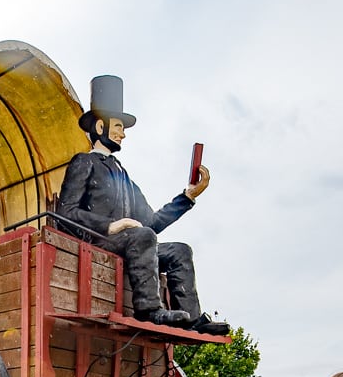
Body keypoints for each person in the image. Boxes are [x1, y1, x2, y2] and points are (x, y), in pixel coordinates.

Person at [56, 75, 230, 336]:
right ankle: (149, 310)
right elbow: (65, 213)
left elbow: (151, 223)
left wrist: (188, 196)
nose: (123, 134)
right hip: (96, 242)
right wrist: (111, 226)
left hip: (133, 245)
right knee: (142, 236)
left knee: (180, 251)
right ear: (100, 126)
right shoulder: (84, 162)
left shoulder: (123, 176)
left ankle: (193, 318)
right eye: (118, 126)